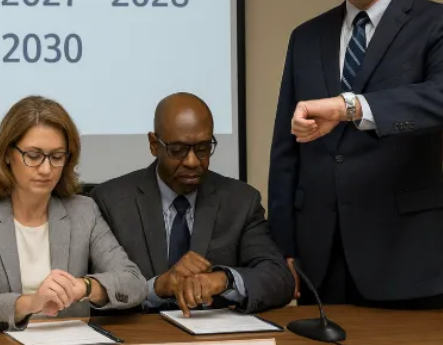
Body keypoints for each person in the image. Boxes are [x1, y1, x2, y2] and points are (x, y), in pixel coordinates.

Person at [268, 0, 443, 309]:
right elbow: (285, 152)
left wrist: (351, 107)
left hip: (405, 257)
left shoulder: (439, 23)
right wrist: (282, 249)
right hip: (319, 260)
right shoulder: (306, 37)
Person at [0, 96, 145, 330]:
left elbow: (134, 283)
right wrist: (31, 303)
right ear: (7, 154)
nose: (46, 169)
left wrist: (84, 287)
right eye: (33, 156)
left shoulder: (84, 212)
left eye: (57, 157)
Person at [92, 93, 294, 316]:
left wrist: (224, 279)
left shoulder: (241, 201)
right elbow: (97, 292)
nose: (192, 161)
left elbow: (279, 278)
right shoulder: (112, 202)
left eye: (203, 148)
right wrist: (156, 288)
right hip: (140, 333)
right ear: (154, 145)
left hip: (216, 335)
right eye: (178, 150)